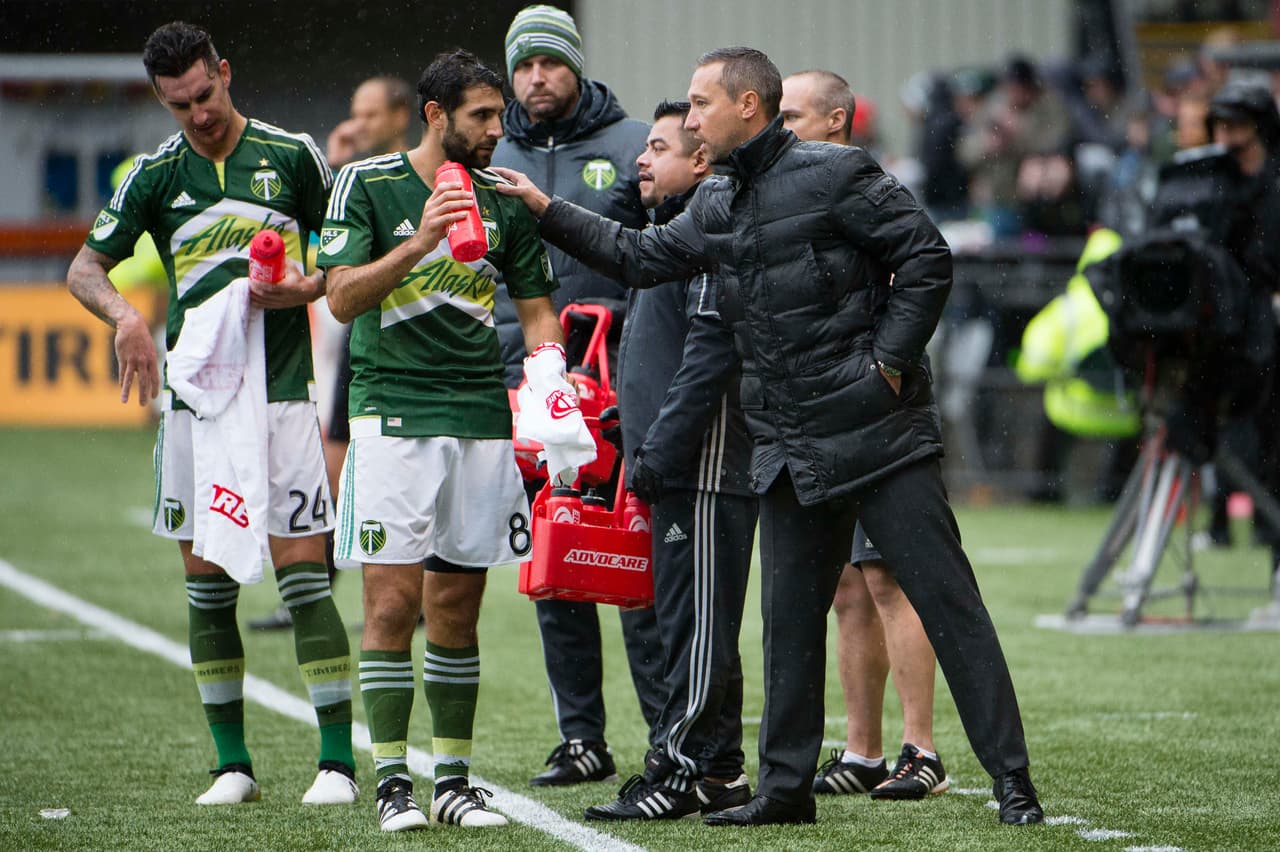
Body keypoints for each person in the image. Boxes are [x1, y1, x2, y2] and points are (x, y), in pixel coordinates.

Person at [494, 45, 1045, 828]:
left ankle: (1013, 780)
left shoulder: (835, 172)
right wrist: (545, 208)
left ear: (747, 106)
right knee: (788, 627)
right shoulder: (718, 201)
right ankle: (784, 791)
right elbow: (640, 256)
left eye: (701, 103)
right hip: (786, 445)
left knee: (947, 604)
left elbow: (925, 256)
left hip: (880, 437)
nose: (690, 119)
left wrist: (887, 365)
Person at [65, 21, 356, 807]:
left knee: (305, 580)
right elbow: (85, 268)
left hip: (283, 394)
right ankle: (233, 766)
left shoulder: (293, 156)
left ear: (224, 72)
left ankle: (336, 765)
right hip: (196, 403)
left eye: (204, 94)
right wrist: (125, 316)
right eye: (179, 104)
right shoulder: (155, 174)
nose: (198, 114)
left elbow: (342, 262)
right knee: (206, 586)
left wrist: (301, 288)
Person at [319, 48, 563, 832]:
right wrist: (420, 241)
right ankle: (394, 783)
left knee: (457, 606)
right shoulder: (368, 183)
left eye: (499, 115)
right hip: (393, 413)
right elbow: (341, 297)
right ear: (435, 116)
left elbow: (536, 309)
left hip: (481, 418)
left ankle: (453, 784)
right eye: (481, 116)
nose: (497, 129)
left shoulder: (504, 199)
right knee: (392, 603)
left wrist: (553, 380)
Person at [491, 4, 665, 788]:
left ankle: (667, 738)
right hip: (526, 385)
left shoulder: (634, 144)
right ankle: (581, 740)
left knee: (632, 556)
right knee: (555, 559)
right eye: (524, 65)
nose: (537, 78)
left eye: (551, 63)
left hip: (620, 382)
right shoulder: (488, 150)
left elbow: (665, 256)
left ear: (576, 65)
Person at [583, 101, 756, 821]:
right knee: (686, 619)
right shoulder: (669, 233)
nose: (639, 160)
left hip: (702, 465)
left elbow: (709, 359)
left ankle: (677, 771)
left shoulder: (705, 237)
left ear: (702, 162)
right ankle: (718, 771)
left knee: (693, 626)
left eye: (658, 148)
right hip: (669, 460)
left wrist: (659, 447)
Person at [780, 68, 950, 802]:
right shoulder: (799, 189)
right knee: (848, 588)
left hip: (878, 414)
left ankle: (923, 751)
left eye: (793, 116)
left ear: (836, 122)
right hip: (827, 415)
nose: (780, 129)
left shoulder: (863, 185)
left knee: (888, 578)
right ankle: (863, 751)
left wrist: (887, 364)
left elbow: (925, 265)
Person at [251, 75, 414, 632]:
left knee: (411, 473)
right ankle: (310, 601)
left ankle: (411, 597)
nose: (357, 124)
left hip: (416, 341)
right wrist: (335, 166)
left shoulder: (422, 179)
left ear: (401, 115)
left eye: (370, 114)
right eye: (354, 113)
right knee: (334, 467)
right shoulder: (349, 179)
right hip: (361, 335)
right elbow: (323, 252)